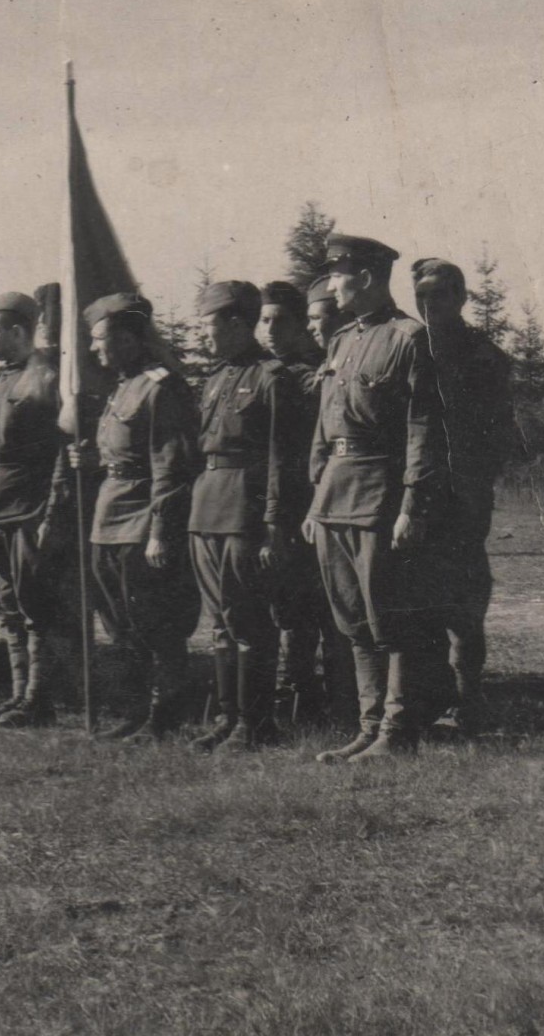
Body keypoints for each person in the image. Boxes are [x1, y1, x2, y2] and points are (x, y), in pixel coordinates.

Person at [306, 235, 447, 762]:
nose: (332, 285)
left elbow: (423, 430)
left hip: (380, 494)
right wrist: (314, 500)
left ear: (364, 277)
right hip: (335, 494)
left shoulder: (409, 339)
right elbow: (324, 430)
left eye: (339, 275)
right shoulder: (341, 340)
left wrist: (412, 504)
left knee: (388, 616)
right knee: (352, 619)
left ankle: (398, 730)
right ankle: (370, 728)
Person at [80, 293, 202, 740]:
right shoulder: (121, 386)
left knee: (154, 621)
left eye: (101, 340)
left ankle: (165, 714)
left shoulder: (160, 387)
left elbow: (170, 465)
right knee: (119, 621)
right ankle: (135, 709)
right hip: (108, 514)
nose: (94, 349)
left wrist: (159, 531)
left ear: (129, 339)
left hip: (140, 516)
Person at [188, 281, 301, 752]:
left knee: (248, 620)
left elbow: (281, 458)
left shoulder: (272, 377)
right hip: (207, 507)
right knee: (219, 621)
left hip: (244, 511)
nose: (204, 336)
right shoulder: (215, 379)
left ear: (236, 324)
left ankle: (256, 723)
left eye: (209, 326)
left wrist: (274, 525)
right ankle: (227, 717)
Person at [412, 256, 514, 736]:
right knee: (417, 599)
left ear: (461, 298)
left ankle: (468, 700)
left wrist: (470, 489)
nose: (429, 304)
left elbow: (495, 435)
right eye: (422, 295)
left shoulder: (482, 356)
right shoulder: (410, 347)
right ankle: (430, 699)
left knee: (463, 602)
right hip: (414, 493)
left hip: (460, 495)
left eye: (439, 294)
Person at [257, 280, 353, 724]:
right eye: (264, 320)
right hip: (281, 503)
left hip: (322, 500)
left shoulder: (323, 371)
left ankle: (342, 700)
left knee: (331, 606)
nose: (271, 330)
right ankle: (298, 696)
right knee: (289, 607)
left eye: (282, 321)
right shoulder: (265, 372)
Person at [0, 292, 65, 729]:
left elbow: (63, 449)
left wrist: (50, 511)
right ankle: (16, 693)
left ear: (17, 332)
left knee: (34, 607)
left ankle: (38, 697)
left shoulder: (43, 378)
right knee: (3, 605)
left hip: (27, 505)